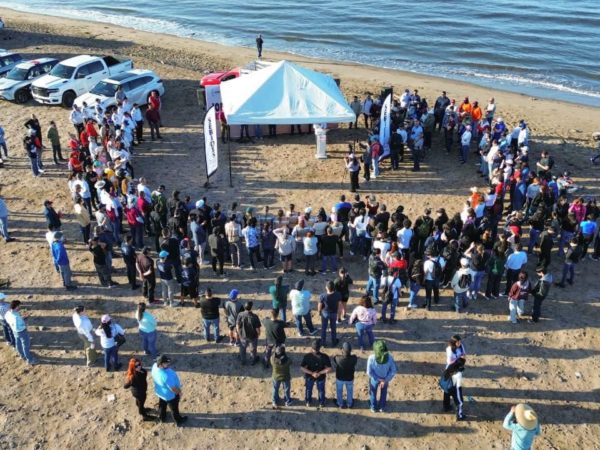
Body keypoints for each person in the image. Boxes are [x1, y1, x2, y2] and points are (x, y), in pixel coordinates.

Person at [151, 355, 188, 426]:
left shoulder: (154, 366)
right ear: (160, 365)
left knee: (162, 404)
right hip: (170, 395)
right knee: (174, 409)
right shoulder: (165, 376)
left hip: (161, 392)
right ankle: (178, 420)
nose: (168, 364)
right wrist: (179, 393)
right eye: (165, 363)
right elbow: (173, 389)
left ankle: (162, 417)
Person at [366, 340, 397, 413]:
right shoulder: (390, 357)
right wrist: (385, 380)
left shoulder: (371, 358)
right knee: (384, 392)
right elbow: (393, 370)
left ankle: (373, 407)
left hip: (374, 379)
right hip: (385, 379)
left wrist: (378, 378)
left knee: (373, 393)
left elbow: (369, 372)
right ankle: (382, 407)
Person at [300, 339, 332, 408]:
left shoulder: (307, 356)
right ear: (319, 348)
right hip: (321, 377)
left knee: (308, 389)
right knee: (321, 390)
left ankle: (308, 402)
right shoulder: (325, 356)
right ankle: (321, 403)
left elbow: (302, 368)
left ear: (312, 348)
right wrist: (319, 373)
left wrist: (312, 373)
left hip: (309, 376)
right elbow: (329, 368)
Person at [5, 300, 38, 365]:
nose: (19, 307)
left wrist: (22, 318)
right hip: (21, 331)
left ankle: (22, 355)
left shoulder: (7, 313)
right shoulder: (16, 317)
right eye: (19, 306)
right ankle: (29, 359)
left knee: (18, 343)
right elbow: (20, 325)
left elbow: (10, 321)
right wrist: (25, 324)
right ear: (16, 306)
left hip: (14, 331)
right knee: (26, 345)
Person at [444, 335, 466, 420]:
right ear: (454, 342)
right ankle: (459, 415)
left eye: (460, 341)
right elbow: (450, 362)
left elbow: (464, 355)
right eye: (458, 342)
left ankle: (446, 407)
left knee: (447, 389)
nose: (460, 343)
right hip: (453, 373)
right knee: (458, 394)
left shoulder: (460, 346)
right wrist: (459, 359)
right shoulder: (450, 350)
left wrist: (460, 359)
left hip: (452, 371)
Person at [236, 301, 261, 365]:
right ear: (251, 308)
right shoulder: (255, 317)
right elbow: (257, 329)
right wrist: (258, 334)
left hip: (243, 336)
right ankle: (253, 360)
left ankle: (243, 360)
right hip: (253, 336)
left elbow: (237, 326)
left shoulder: (240, 314)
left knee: (242, 348)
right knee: (253, 349)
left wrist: (239, 333)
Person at [333, 342, 357, 409]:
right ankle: (349, 403)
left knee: (339, 390)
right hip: (350, 378)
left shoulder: (338, 358)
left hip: (340, 378)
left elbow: (334, 358)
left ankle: (340, 403)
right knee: (350, 390)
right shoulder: (354, 358)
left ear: (342, 350)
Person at [318, 280, 341, 347]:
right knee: (333, 328)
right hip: (334, 314)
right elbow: (340, 306)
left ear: (326, 288)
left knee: (323, 328)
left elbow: (319, 305)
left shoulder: (322, 296)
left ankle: (323, 342)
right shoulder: (338, 294)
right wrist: (339, 316)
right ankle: (334, 341)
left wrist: (319, 312)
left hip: (325, 313)